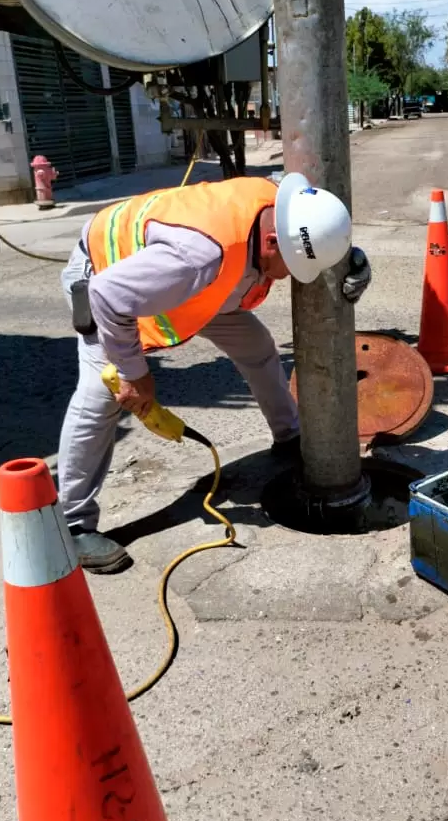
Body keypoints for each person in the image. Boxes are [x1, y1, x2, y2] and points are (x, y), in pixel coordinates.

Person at [57, 171, 371, 574]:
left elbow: (313, 231)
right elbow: (107, 295)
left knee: (256, 346)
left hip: (196, 285)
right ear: (273, 242)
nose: (291, 276)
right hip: (108, 275)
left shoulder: (285, 206)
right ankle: (72, 525)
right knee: (100, 397)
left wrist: (349, 257)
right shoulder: (198, 258)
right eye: (290, 266)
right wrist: (134, 373)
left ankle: (290, 435)